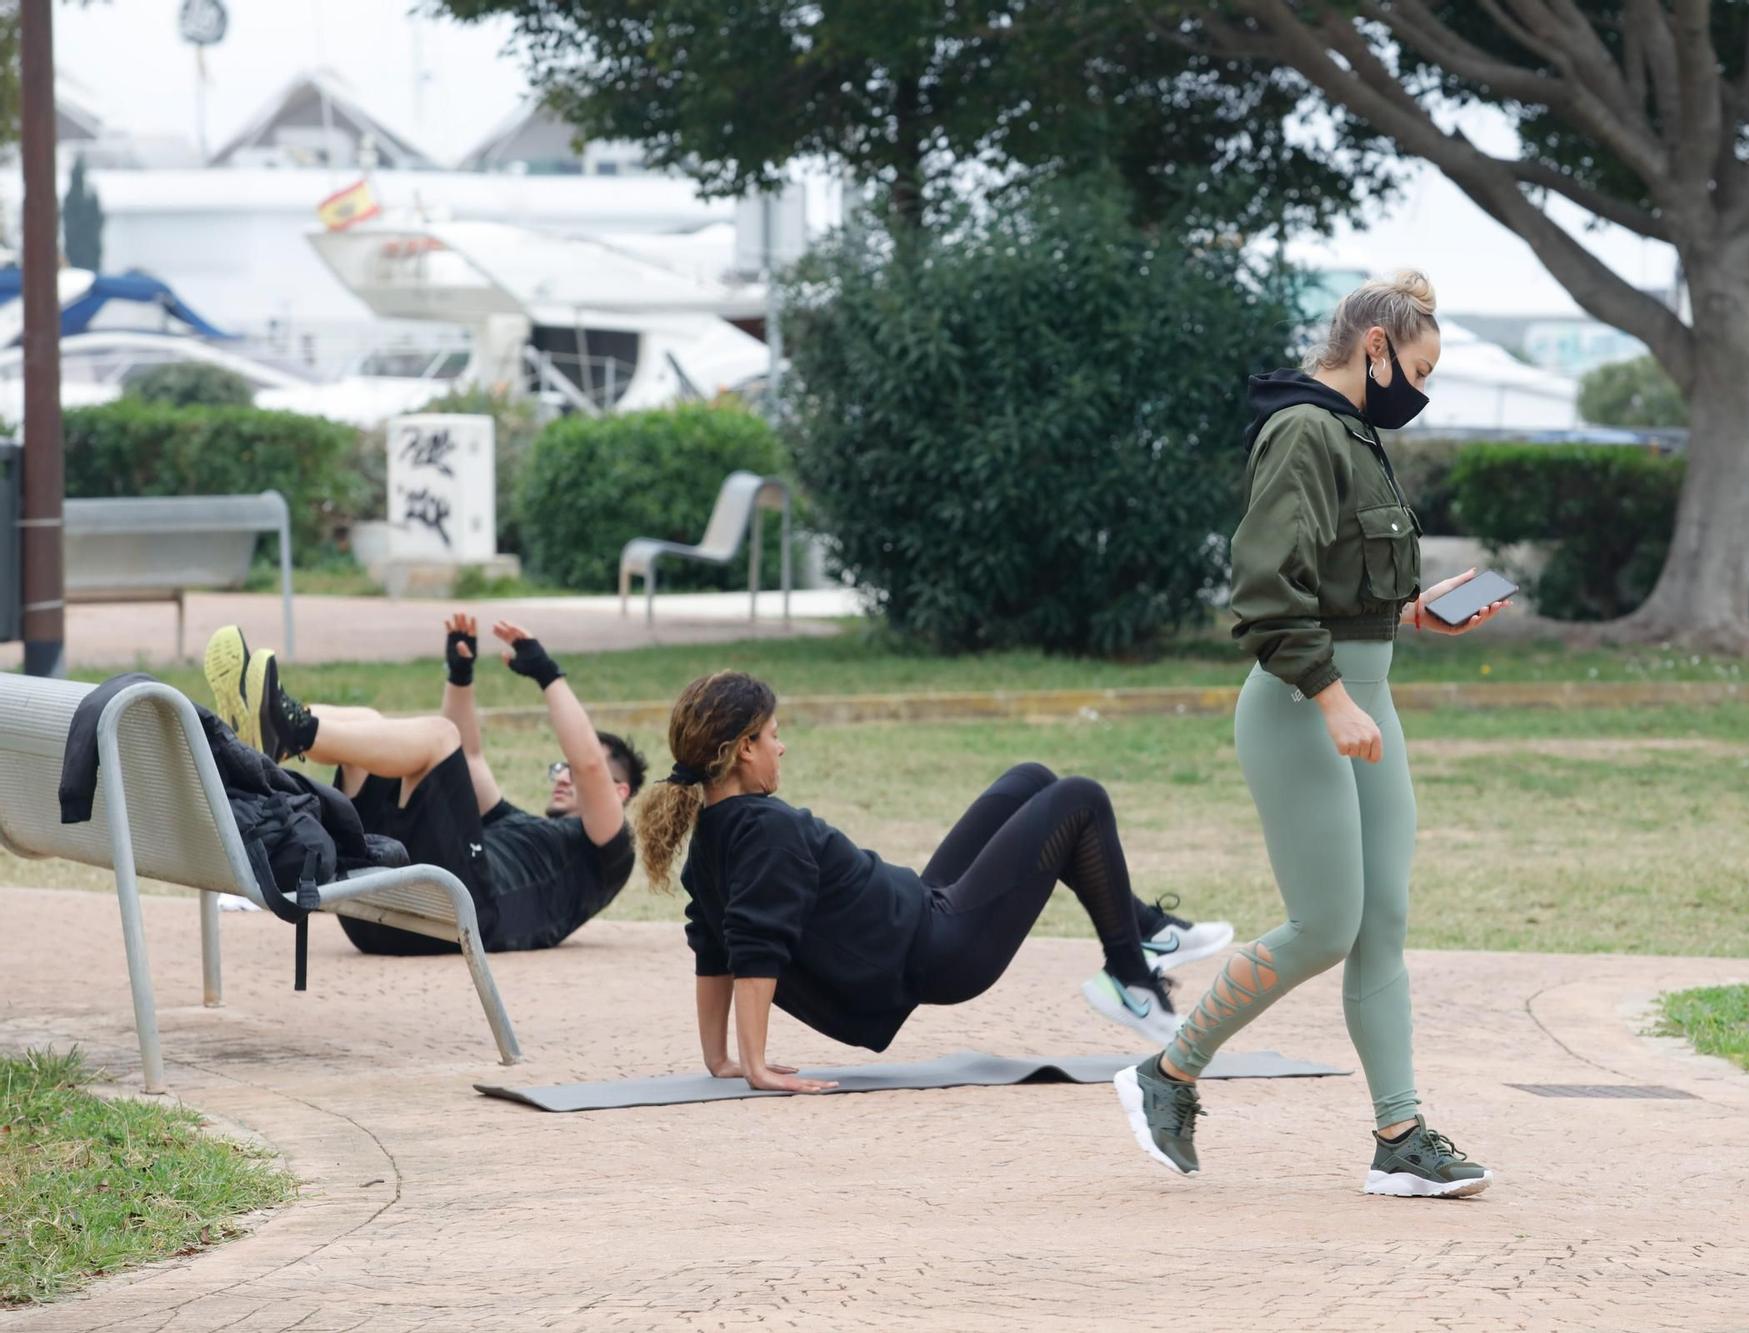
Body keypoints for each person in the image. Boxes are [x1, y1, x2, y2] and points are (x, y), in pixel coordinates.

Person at [1114, 270, 1511, 1197]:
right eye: (1416, 365)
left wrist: (1414, 612)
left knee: (1383, 923)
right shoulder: (1302, 430)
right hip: (1306, 706)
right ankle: (1167, 1071)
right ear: (1374, 346)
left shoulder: (1351, 436)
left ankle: (1400, 1135)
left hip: (1364, 697)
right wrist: (1334, 699)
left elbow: (1337, 581)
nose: (1421, 386)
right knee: (1328, 923)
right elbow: (1264, 590)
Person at [628, 671, 1234, 1092]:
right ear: (742, 750)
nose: (782, 748)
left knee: (1031, 779)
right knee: (1080, 798)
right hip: (941, 949)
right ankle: (1131, 977)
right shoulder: (766, 831)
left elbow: (712, 948)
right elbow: (751, 946)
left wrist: (719, 1058)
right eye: (773, 735)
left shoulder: (711, 835)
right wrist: (753, 1065)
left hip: (920, 909)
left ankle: (1146, 930)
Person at [201, 613, 645, 954]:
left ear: (619, 792)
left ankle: (287, 731)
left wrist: (549, 675)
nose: (566, 773)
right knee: (369, 737)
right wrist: (460, 677)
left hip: (459, 918)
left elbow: (588, 763)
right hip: (385, 911)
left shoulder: (606, 855)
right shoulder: (517, 825)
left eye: (571, 769)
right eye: (559, 767)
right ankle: (267, 740)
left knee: (437, 737)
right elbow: (466, 760)